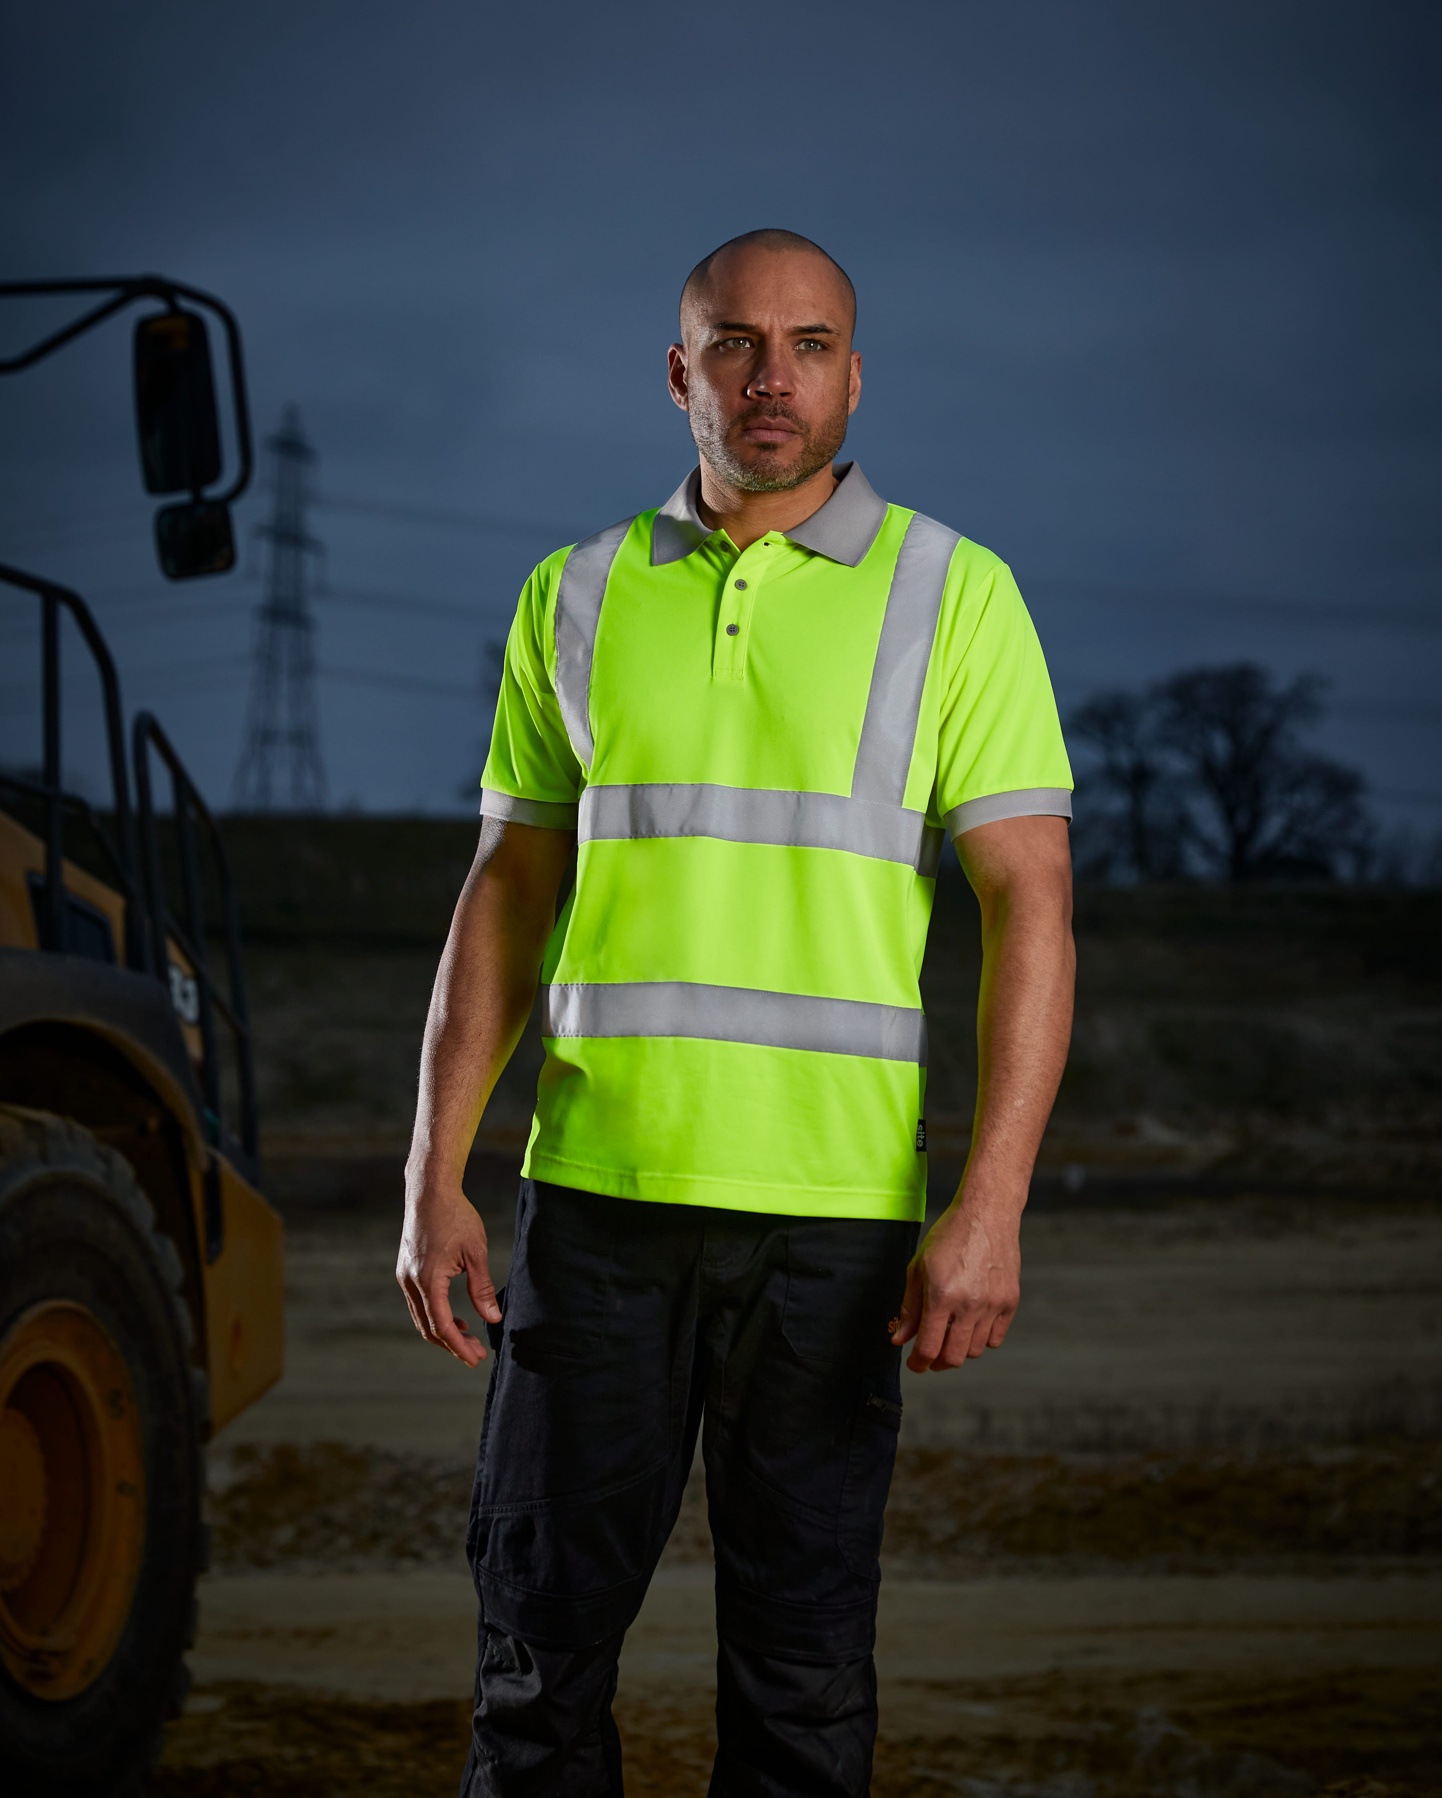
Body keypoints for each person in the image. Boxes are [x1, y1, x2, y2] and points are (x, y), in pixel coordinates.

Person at [397, 227, 1075, 1798]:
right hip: (594, 1206)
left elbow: (1027, 901)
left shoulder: (953, 594)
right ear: (678, 371)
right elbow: (503, 892)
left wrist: (991, 1203)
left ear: (854, 371)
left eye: (811, 343)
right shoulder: (571, 597)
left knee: (799, 1681)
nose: (774, 378)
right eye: (736, 343)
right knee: (533, 1665)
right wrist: (435, 1173)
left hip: (829, 1233)